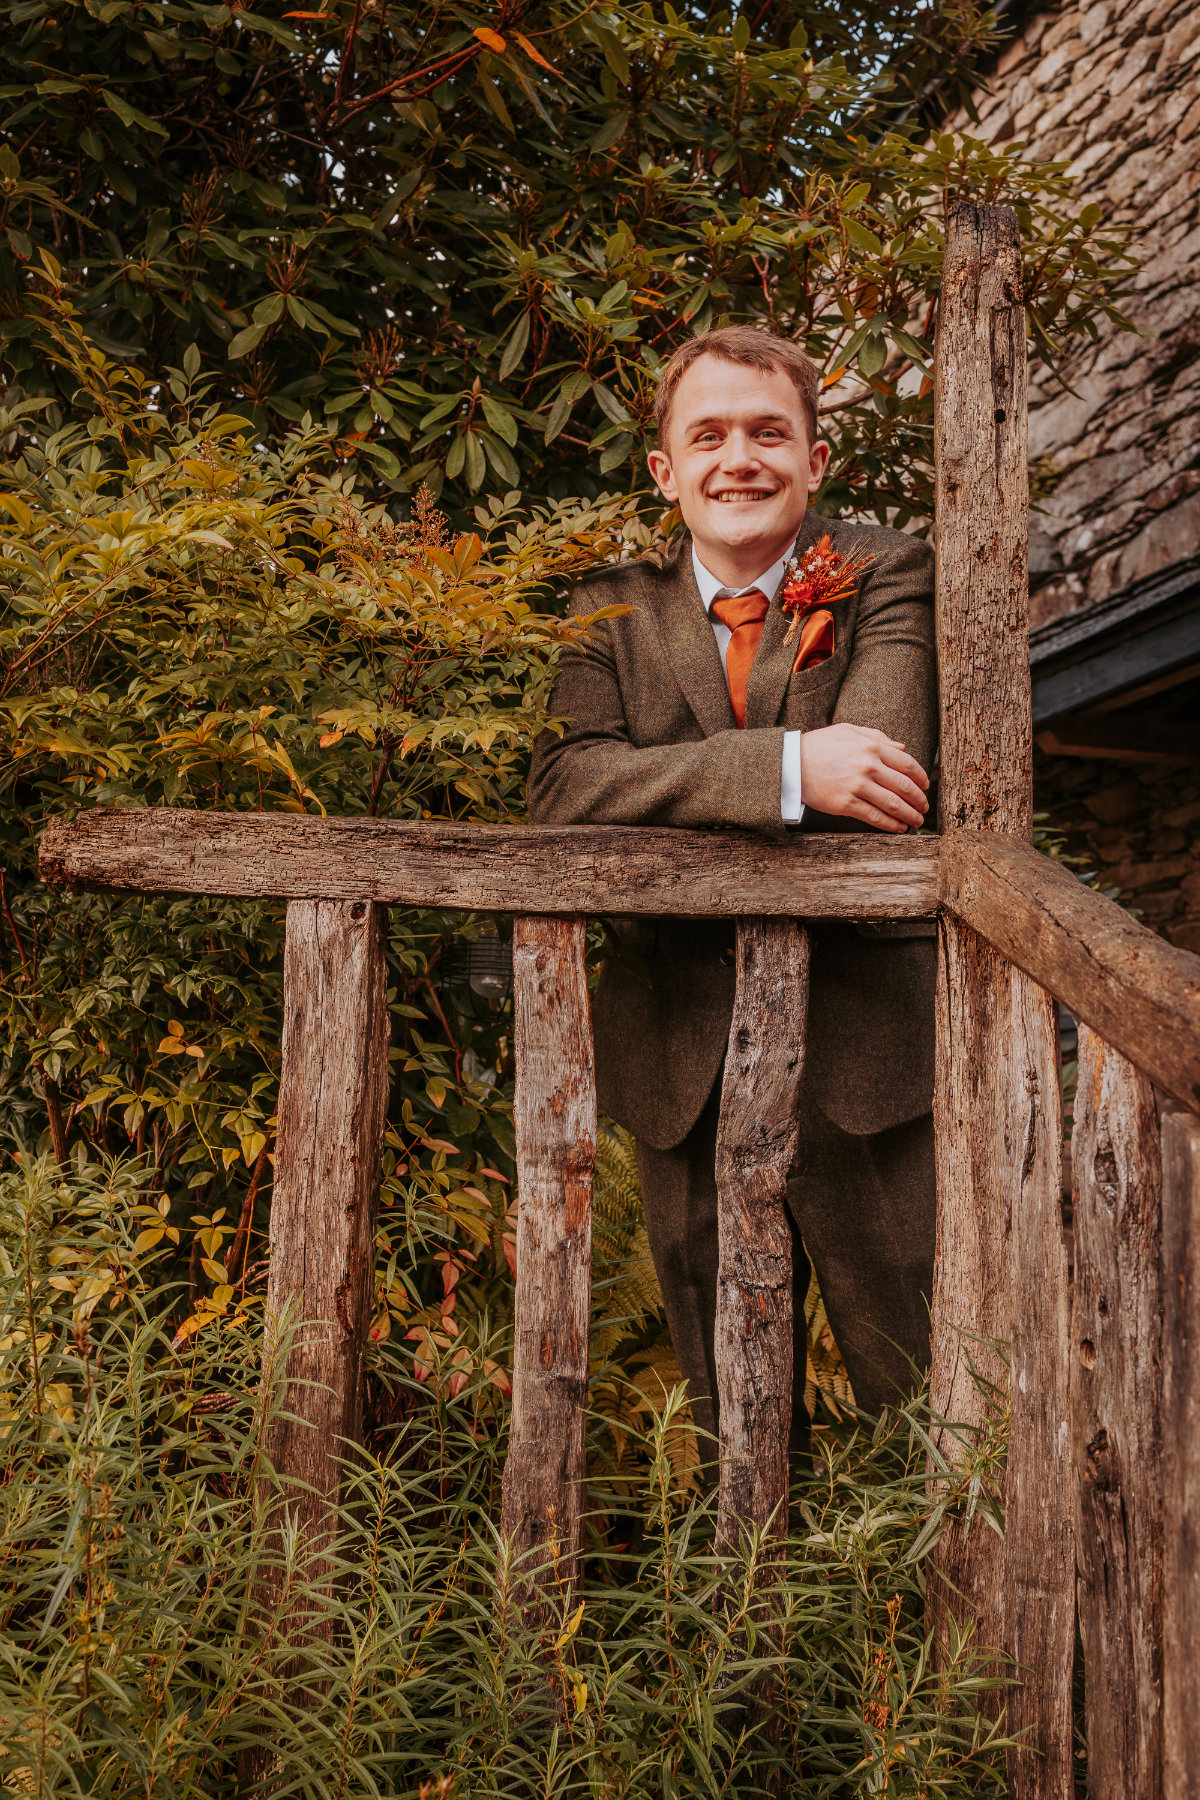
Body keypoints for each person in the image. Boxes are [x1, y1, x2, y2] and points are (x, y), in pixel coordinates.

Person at [528, 325, 937, 1464]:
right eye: (707, 435)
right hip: (680, 1058)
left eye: (768, 432)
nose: (738, 458)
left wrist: (663, 791)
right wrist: (793, 770)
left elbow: (891, 770)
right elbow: (563, 787)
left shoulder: (885, 571)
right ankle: (751, 1639)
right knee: (735, 1425)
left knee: (928, 1398)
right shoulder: (604, 609)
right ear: (665, 470)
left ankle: (942, 1641)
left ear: (815, 459)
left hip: (869, 1052)